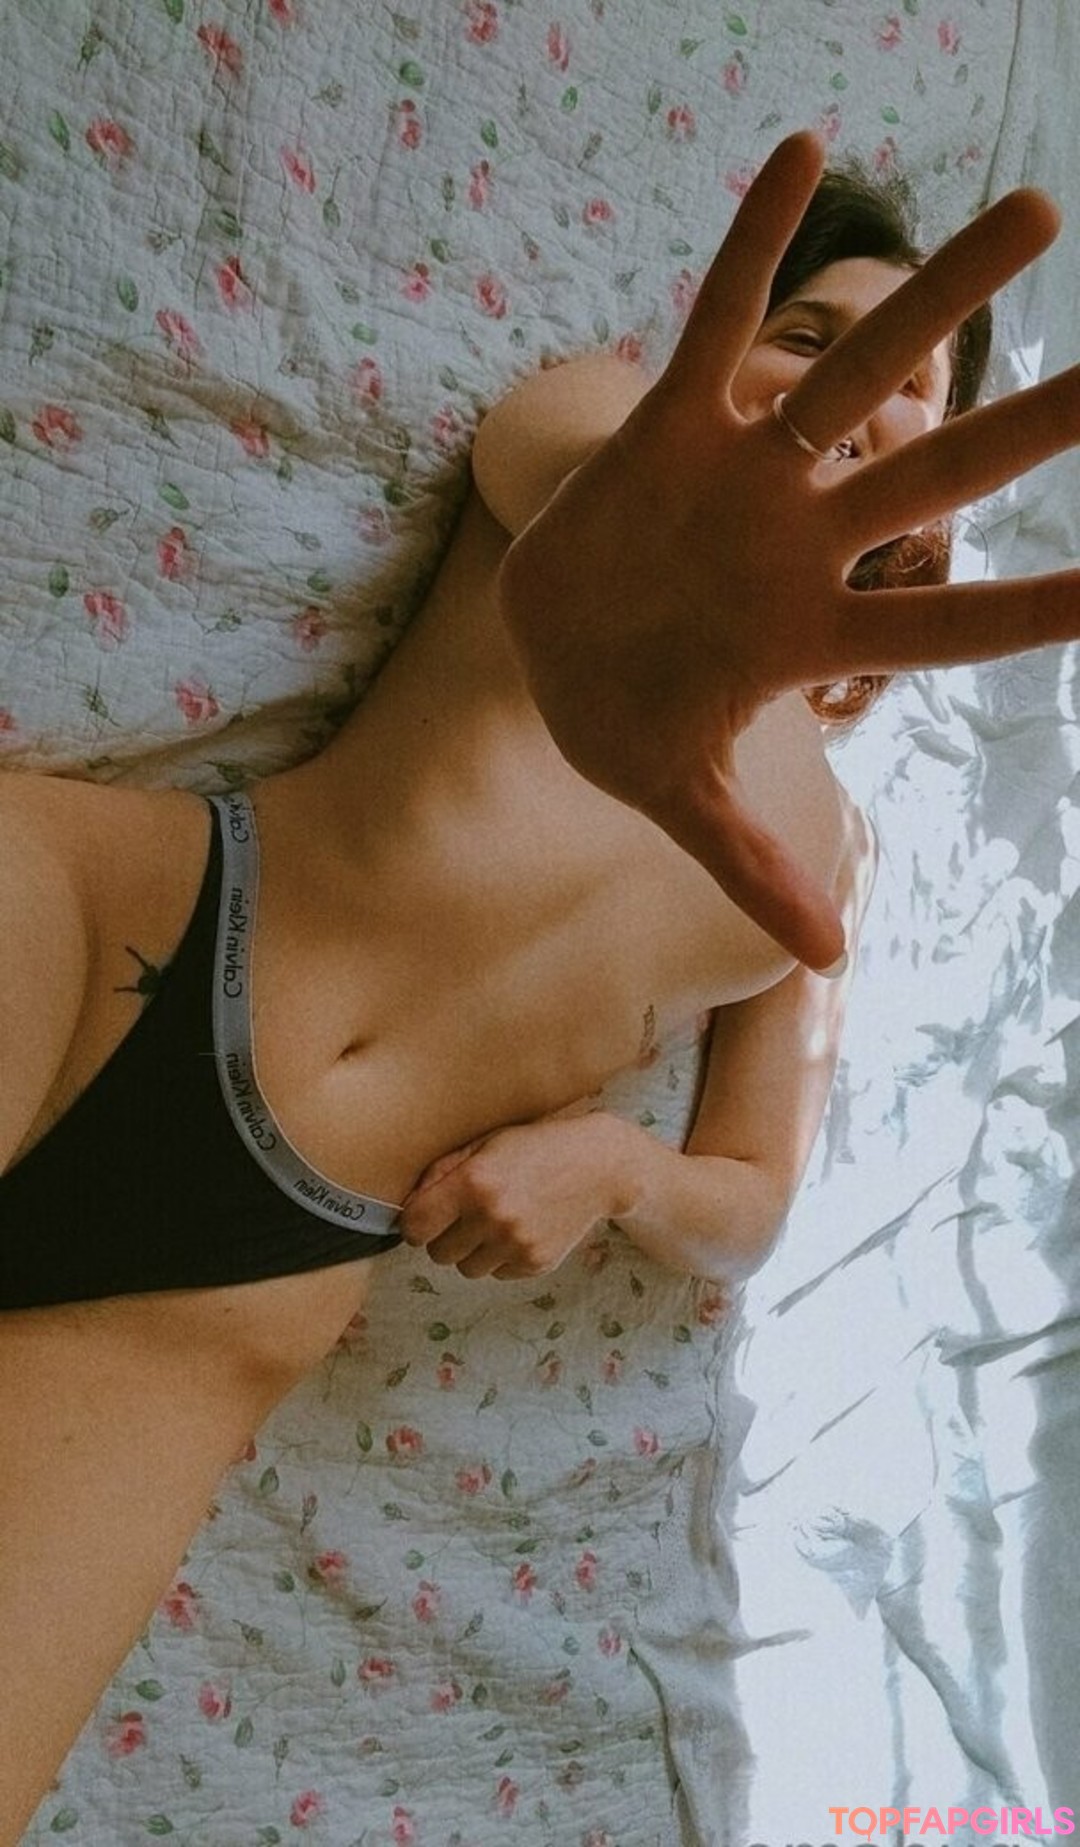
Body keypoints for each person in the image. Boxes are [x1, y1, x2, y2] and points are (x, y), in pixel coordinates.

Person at [0, 133, 1077, 1841]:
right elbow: (562, 468)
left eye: (912, 393)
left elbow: (751, 1194)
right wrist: (638, 534)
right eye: (808, 337)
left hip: (246, 1266)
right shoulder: (604, 447)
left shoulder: (824, 857)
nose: (853, 394)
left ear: (942, 502)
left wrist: (620, 1166)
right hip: (104, 934)